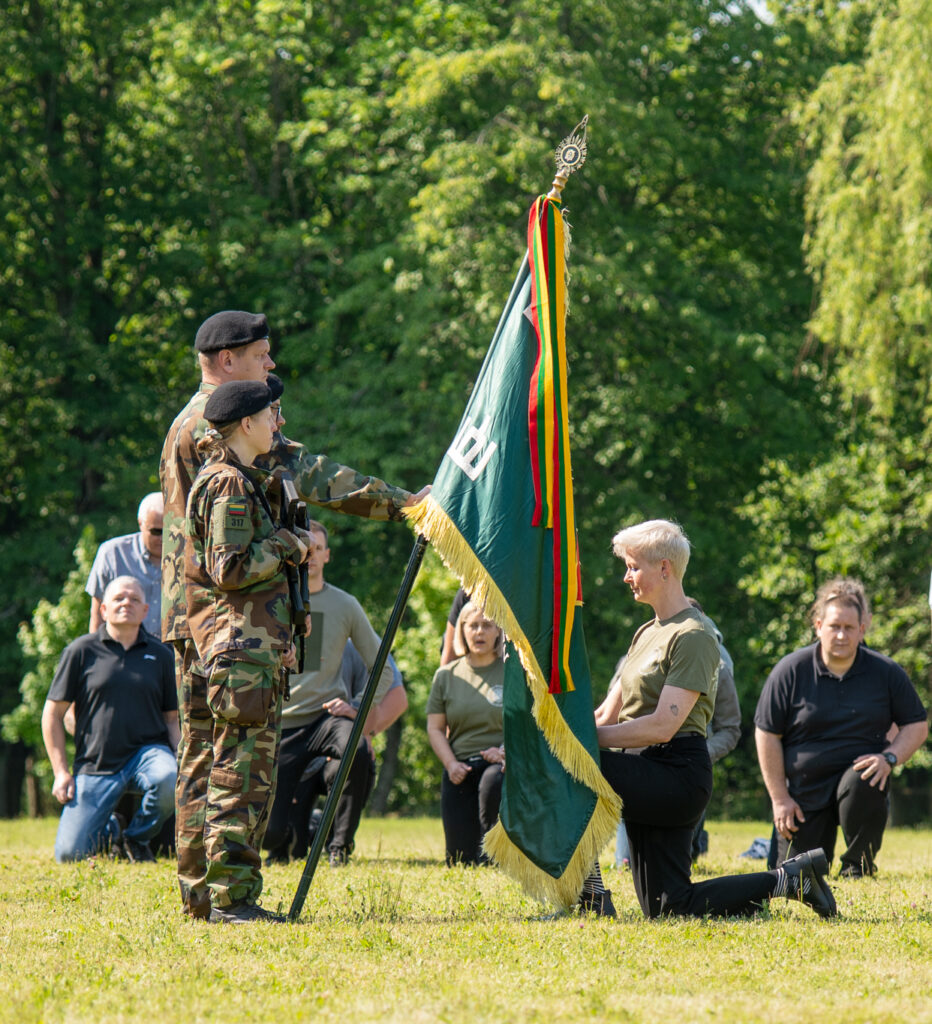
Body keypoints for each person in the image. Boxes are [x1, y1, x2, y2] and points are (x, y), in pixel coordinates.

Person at [160, 309, 429, 919]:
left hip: (197, 614)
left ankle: (203, 896)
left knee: (204, 756)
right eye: (261, 354)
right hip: (231, 619)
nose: (271, 365)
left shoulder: (189, 419)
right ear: (227, 362)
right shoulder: (217, 424)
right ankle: (227, 896)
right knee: (235, 760)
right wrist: (405, 504)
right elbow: (308, 474)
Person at [588, 519, 836, 919]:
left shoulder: (695, 636)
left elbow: (663, 726)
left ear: (664, 568)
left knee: (576, 764)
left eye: (633, 566)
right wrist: (555, 725)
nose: (625, 576)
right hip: (643, 771)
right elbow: (605, 714)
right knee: (668, 907)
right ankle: (790, 880)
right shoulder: (644, 633)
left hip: (675, 775)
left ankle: (591, 896)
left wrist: (582, 741)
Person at [184, 379, 312, 923]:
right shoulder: (229, 485)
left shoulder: (245, 481)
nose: (277, 423)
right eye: (271, 414)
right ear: (245, 424)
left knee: (252, 777)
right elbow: (229, 568)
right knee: (238, 777)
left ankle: (234, 895)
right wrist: (289, 543)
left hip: (254, 654)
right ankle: (231, 901)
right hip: (240, 654)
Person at [755, 576, 928, 878]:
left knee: (866, 777)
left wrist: (889, 758)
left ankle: (857, 866)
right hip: (803, 793)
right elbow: (767, 733)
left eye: (849, 628)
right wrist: (780, 799)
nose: (841, 635)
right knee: (793, 876)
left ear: (862, 630)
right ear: (819, 626)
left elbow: (916, 725)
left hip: (859, 783)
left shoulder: (886, 672)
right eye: (834, 626)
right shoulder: (790, 671)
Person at [263, 520, 397, 867]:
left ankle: (339, 846)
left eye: (318, 548)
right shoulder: (268, 599)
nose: (311, 556)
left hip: (327, 718)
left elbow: (382, 667)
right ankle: (286, 837)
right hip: (279, 725)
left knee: (358, 748)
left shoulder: (345, 604)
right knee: (273, 835)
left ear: (327, 555)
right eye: (304, 548)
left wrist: (356, 706)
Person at [41, 576, 178, 863]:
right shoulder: (80, 651)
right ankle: (112, 830)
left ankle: (136, 838)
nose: (126, 602)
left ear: (145, 610)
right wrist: (61, 772)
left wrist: (182, 761)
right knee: (69, 854)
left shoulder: (162, 655)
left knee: (168, 777)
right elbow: (52, 714)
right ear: (103, 610)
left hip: (148, 753)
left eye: (134, 599)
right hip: (96, 763)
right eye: (118, 598)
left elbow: (171, 718)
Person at [602, 595, 741, 867]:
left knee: (674, 879)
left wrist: (702, 751)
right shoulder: (642, 650)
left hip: (683, 766)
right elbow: (608, 713)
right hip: (633, 761)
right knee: (630, 868)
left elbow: (730, 728)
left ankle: (592, 891)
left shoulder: (713, 660)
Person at [281, 640, 408, 862]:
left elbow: (398, 699)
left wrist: (365, 730)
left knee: (358, 757)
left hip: (338, 753)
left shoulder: (359, 644)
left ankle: (339, 844)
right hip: (296, 756)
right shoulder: (289, 642)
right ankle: (312, 827)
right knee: (290, 851)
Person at [426, 602, 505, 866]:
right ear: (462, 630)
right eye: (473, 625)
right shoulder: (446, 676)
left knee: (491, 783)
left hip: (502, 767)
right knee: (459, 859)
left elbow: (527, 723)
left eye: (487, 625)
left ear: (498, 632)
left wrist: (505, 751)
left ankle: (498, 855)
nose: (479, 632)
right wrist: (450, 764)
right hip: (461, 767)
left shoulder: (513, 673)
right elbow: (435, 728)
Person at [85, 493, 164, 637]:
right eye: (156, 531)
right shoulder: (112, 553)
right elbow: (97, 615)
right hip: (123, 650)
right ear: (141, 523)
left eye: (168, 532)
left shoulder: (188, 556)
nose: (162, 538)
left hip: (171, 655)